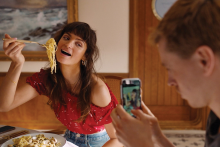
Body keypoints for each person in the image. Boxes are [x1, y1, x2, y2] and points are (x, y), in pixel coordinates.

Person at [111, 0, 220, 147]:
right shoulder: (215, 115)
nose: (170, 81)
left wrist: (141, 145)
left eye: (170, 68)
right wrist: (157, 137)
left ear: (204, 60)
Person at [0, 22, 123, 147]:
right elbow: (4, 105)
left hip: (99, 143)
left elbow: (117, 138)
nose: (68, 44)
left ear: (85, 55)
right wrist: (17, 63)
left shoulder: (96, 89)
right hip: (67, 138)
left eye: (78, 44)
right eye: (66, 37)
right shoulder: (48, 78)